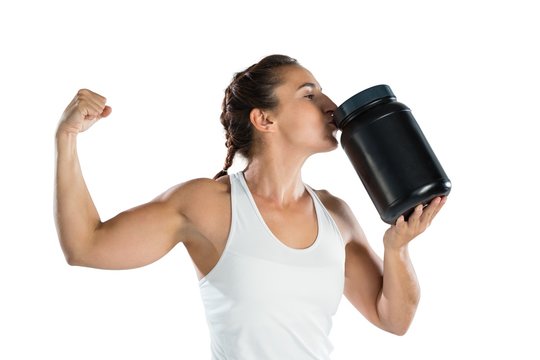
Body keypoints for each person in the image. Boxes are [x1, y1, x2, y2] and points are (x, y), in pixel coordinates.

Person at [54, 54, 446, 359]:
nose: (331, 106)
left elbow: (394, 319)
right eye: (309, 95)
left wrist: (398, 248)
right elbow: (86, 246)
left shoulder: (336, 214)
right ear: (264, 119)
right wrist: (67, 137)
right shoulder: (206, 204)